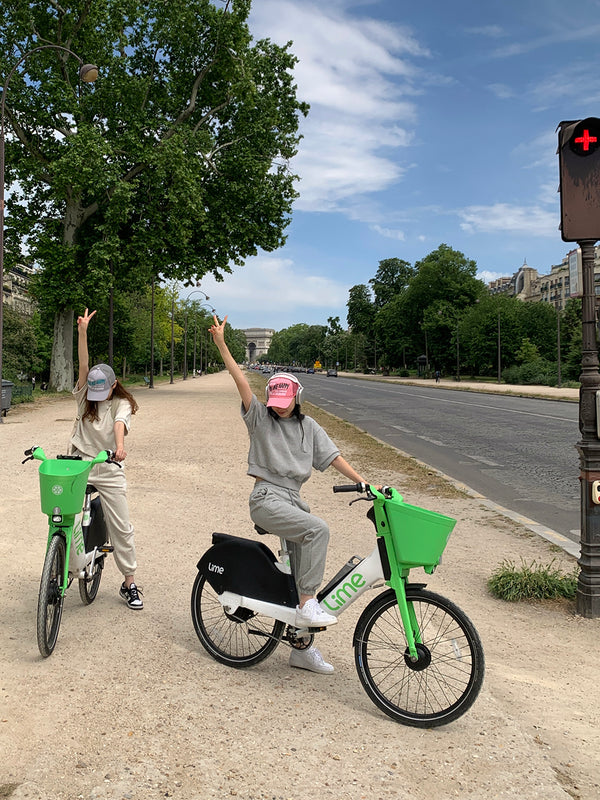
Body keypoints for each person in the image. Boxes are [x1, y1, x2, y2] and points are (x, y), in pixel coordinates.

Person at [209, 315, 372, 674]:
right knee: (319, 530)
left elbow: (333, 458)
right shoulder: (260, 420)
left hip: (294, 499)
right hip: (267, 497)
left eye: (285, 398)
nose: (279, 404)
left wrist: (364, 482)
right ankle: (307, 605)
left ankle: (301, 647)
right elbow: (240, 381)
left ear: (297, 397)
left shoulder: (309, 426)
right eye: (275, 397)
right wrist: (222, 343)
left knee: (302, 571)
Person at [69, 308, 143, 610]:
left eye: (103, 391)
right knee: (61, 514)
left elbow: (119, 424)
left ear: (113, 385)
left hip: (109, 462)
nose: (96, 397)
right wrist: (82, 331)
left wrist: (120, 447)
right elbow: (83, 364)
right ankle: (62, 561)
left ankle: (129, 582)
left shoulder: (121, 401)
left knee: (121, 525)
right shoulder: (85, 393)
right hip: (79, 462)